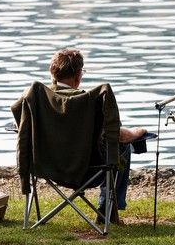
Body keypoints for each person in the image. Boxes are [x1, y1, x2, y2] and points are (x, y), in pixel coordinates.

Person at [47, 47, 146, 225]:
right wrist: (138, 132)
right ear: (78, 75)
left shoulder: (38, 101)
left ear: (52, 73)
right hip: (88, 172)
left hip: (48, 168)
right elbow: (118, 136)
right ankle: (106, 210)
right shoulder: (89, 103)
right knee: (122, 147)